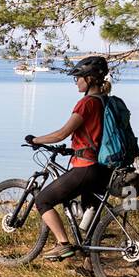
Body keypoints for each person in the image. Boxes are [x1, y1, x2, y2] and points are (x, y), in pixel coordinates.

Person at [24, 55, 112, 260]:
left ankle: (63, 244)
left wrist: (36, 139)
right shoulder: (106, 101)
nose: (77, 82)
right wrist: (73, 150)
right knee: (87, 221)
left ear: (89, 79)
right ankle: (90, 265)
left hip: (87, 168)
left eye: (79, 78)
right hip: (103, 168)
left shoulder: (87, 103)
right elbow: (96, 136)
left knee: (43, 200)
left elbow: (61, 134)